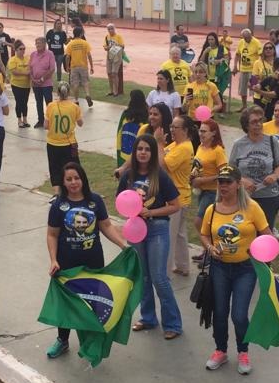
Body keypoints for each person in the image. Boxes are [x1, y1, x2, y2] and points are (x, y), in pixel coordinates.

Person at [45, 162, 127, 358]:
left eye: (76, 178)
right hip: (67, 266)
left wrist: (123, 245)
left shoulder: (95, 201)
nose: (73, 182)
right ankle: (62, 340)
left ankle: (91, 341)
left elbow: (106, 226)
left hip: (93, 263)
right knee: (67, 305)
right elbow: (52, 235)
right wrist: (54, 260)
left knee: (94, 303)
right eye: (69, 179)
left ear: (83, 179)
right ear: (63, 183)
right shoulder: (59, 205)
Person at [199, 164, 273, 374]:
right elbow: (204, 234)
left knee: (239, 315)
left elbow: (266, 234)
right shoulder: (211, 210)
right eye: (220, 182)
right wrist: (210, 248)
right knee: (220, 312)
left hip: (245, 269)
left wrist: (264, 253)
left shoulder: (252, 208)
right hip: (219, 268)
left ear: (238, 184)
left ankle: (243, 352)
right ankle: (220, 350)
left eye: (228, 182)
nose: (223, 186)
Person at [118, 135, 184, 340]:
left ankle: (172, 323)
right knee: (143, 276)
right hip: (135, 231)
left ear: (152, 153)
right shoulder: (127, 176)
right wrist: (132, 213)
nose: (143, 152)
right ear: (135, 152)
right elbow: (120, 202)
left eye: (147, 149)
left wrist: (151, 213)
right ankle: (148, 318)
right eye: (139, 149)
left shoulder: (160, 176)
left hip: (157, 229)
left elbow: (175, 205)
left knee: (159, 277)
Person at [229, 106, 279, 236]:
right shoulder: (239, 144)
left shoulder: (272, 141)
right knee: (245, 233)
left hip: (268, 196)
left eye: (260, 120)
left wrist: (275, 175)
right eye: (254, 122)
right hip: (245, 197)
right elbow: (230, 170)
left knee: (264, 234)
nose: (259, 124)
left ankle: (262, 257)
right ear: (246, 125)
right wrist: (242, 180)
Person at [162, 115, 196, 276]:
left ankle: (165, 271)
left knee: (169, 236)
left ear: (185, 130)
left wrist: (159, 143)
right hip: (181, 196)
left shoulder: (183, 148)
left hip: (176, 198)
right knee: (180, 234)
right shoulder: (176, 145)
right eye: (171, 126)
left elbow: (163, 164)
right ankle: (183, 266)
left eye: (175, 127)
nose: (171, 130)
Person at [191, 119, 227, 250]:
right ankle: (207, 251)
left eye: (204, 131)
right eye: (200, 131)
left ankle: (211, 249)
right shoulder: (200, 147)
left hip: (212, 192)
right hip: (200, 191)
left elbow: (224, 174)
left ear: (213, 133)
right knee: (206, 224)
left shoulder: (218, 150)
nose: (201, 134)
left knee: (199, 222)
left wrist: (202, 180)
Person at [45, 82, 82, 197]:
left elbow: (46, 126)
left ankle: (56, 193)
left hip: (53, 143)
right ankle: (74, 191)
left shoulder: (51, 106)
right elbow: (80, 123)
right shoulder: (74, 107)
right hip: (69, 143)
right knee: (73, 167)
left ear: (57, 93)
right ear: (69, 92)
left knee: (54, 168)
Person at [115, 90, 149, 169]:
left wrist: (118, 150)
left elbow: (119, 132)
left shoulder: (126, 114)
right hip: (139, 154)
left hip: (125, 154)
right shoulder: (146, 116)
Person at [232, 29, 262, 112]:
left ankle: (255, 107)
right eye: (244, 38)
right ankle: (244, 106)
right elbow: (238, 54)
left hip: (253, 71)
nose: (246, 39)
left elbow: (261, 55)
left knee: (254, 88)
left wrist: (259, 68)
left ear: (251, 35)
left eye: (248, 37)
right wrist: (235, 66)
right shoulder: (241, 42)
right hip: (243, 69)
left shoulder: (256, 42)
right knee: (242, 89)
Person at [29, 36, 55, 129]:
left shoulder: (50, 54)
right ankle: (40, 120)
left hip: (46, 84)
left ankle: (50, 121)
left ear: (44, 44)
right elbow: (30, 68)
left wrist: (42, 79)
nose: (37, 45)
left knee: (49, 103)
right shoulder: (33, 54)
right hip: (35, 84)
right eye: (36, 43)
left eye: (39, 43)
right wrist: (33, 79)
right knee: (38, 102)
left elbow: (52, 69)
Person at [199, 32, 229, 111]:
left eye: (212, 39)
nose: (210, 41)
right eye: (209, 39)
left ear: (216, 40)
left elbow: (227, 60)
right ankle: (209, 108)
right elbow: (200, 62)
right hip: (208, 75)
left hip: (218, 75)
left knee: (218, 93)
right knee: (208, 93)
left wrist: (219, 61)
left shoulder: (221, 48)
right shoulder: (206, 49)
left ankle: (220, 109)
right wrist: (205, 52)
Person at [64, 27, 93, 108]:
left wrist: (67, 66)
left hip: (74, 66)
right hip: (83, 65)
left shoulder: (70, 44)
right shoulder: (85, 43)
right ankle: (87, 94)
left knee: (75, 84)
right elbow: (89, 55)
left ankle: (76, 100)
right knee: (85, 82)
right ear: (81, 34)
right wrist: (92, 66)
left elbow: (67, 57)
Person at [6, 40, 32, 128]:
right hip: (16, 84)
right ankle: (19, 120)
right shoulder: (13, 60)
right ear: (16, 50)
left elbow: (30, 69)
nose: (23, 51)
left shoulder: (27, 58)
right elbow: (14, 72)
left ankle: (25, 119)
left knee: (25, 102)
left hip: (26, 84)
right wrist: (25, 73)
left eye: (24, 49)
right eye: (20, 49)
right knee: (19, 102)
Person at [103, 23, 125, 96]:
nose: (110, 30)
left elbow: (122, 46)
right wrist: (109, 47)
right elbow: (105, 47)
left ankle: (116, 91)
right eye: (109, 29)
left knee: (114, 73)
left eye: (111, 28)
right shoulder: (107, 37)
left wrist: (115, 46)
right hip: (109, 57)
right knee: (109, 73)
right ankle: (111, 90)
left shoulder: (118, 37)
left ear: (114, 28)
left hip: (117, 57)